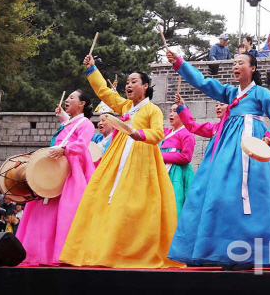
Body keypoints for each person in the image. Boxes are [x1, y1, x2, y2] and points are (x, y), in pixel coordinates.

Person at [166, 49, 270, 269]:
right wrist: (180, 64)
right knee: (222, 193)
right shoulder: (229, 92)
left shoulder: (261, 93)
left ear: (253, 68)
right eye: (234, 64)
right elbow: (203, 82)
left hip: (254, 143)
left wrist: (268, 136)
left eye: (240, 63)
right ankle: (224, 248)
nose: (235, 67)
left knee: (257, 193)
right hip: (229, 146)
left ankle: (259, 250)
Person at [60, 56, 181, 268]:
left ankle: (131, 251)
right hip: (117, 159)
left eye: (134, 81)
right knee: (104, 199)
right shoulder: (125, 107)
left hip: (141, 159)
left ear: (145, 86)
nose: (129, 85)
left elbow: (158, 134)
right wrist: (92, 69)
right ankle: (105, 250)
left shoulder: (152, 110)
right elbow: (105, 93)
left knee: (133, 206)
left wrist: (138, 133)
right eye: (127, 82)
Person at [16, 90, 95, 265]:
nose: (67, 100)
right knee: (46, 211)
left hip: (71, 172)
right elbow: (69, 128)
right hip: (56, 168)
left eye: (72, 98)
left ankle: (62, 254)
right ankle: (39, 253)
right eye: (67, 98)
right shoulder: (71, 123)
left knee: (66, 212)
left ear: (82, 104)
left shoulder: (87, 124)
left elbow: (81, 145)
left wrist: (65, 149)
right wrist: (63, 117)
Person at [160, 103, 195, 218]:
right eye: (170, 110)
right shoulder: (166, 132)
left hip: (177, 174)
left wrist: (162, 156)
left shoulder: (187, 133)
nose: (171, 113)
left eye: (175, 111)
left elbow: (186, 157)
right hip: (161, 170)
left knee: (174, 203)